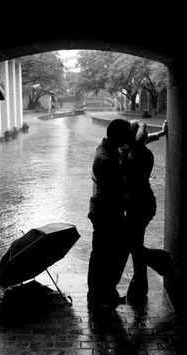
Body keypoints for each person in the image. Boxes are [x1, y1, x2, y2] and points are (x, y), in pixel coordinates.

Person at [122, 119, 170, 303]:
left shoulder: (132, 153)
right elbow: (142, 141)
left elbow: (140, 140)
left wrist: (141, 125)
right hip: (144, 203)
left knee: (133, 245)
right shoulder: (136, 151)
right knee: (135, 242)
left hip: (139, 205)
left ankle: (161, 260)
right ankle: (140, 286)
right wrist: (160, 133)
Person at [87, 118, 131, 311]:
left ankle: (103, 293)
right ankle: (100, 295)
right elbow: (121, 190)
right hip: (107, 213)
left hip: (102, 210)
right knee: (109, 254)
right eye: (126, 134)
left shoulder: (104, 147)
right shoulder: (108, 160)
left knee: (103, 254)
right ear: (120, 137)